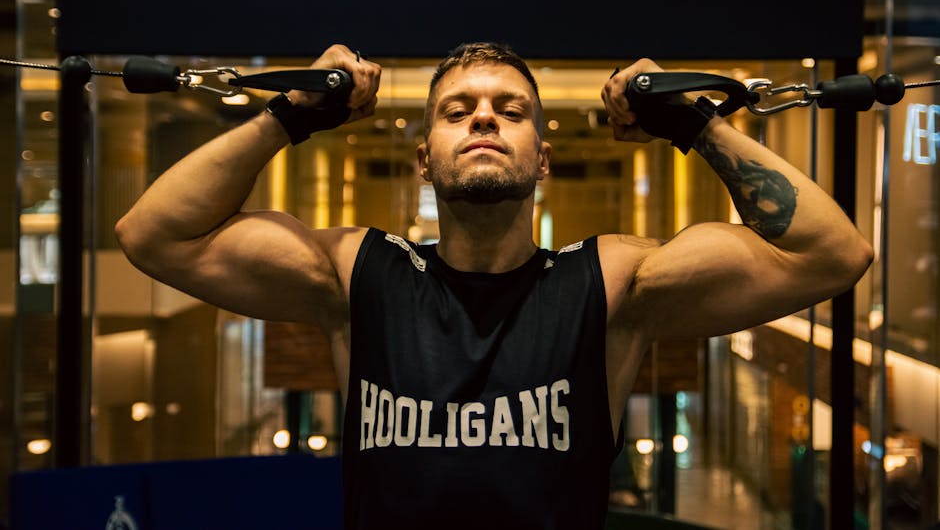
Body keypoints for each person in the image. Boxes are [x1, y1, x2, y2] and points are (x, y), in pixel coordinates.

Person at [115, 43, 873, 529]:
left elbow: (832, 254)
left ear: (542, 159)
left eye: (511, 111)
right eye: (458, 111)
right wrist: (287, 115)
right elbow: (151, 235)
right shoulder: (359, 276)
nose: (484, 118)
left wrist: (695, 124)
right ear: (424, 158)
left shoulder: (610, 283)